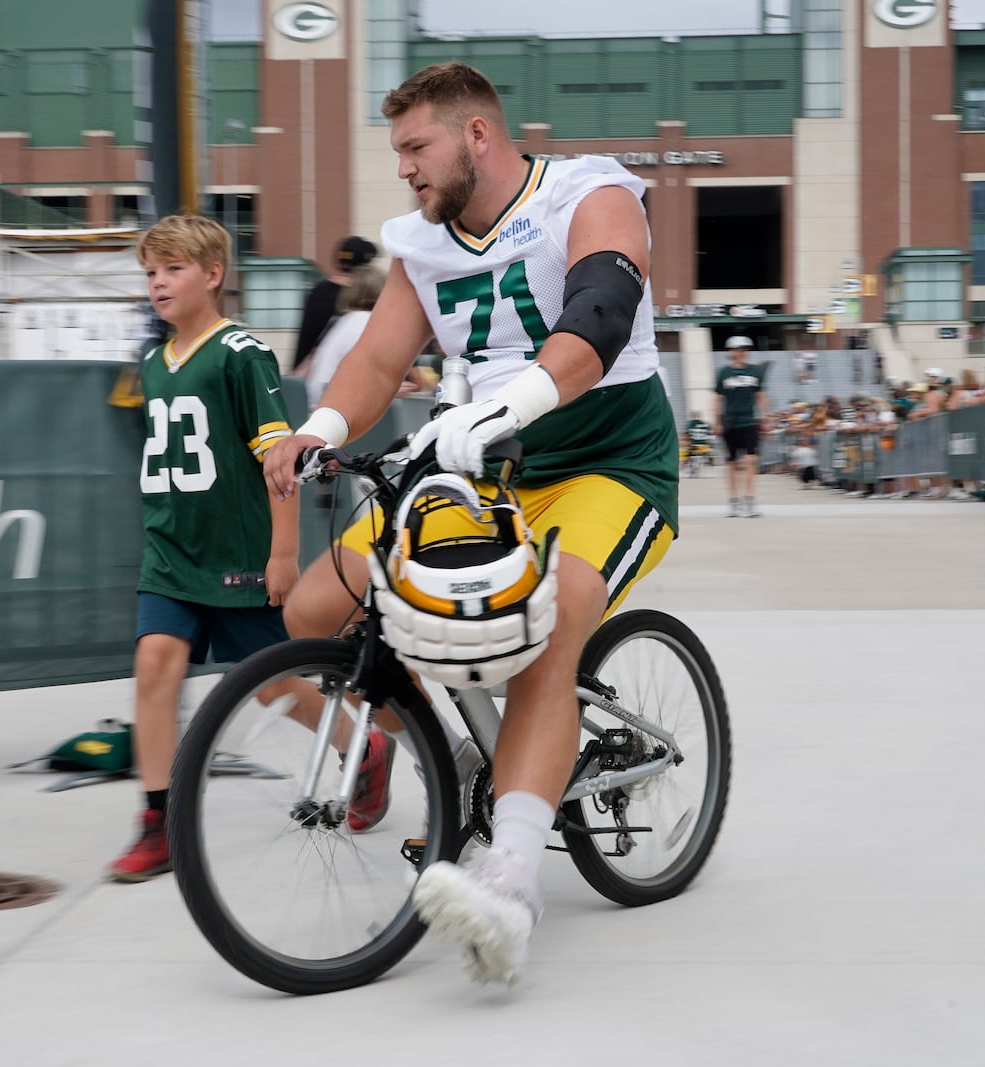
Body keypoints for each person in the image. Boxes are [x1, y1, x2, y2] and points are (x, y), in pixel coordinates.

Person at [264, 62, 677, 987]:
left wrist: (510, 405)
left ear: (476, 136)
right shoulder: (422, 242)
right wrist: (321, 429)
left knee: (549, 627)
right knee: (319, 609)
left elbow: (603, 312)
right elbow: (376, 361)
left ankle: (513, 883)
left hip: (607, 462)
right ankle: (457, 759)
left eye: (417, 147)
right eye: (398, 150)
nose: (405, 168)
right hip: (485, 472)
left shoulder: (589, 192)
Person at [108, 215, 305, 883]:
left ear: (213, 275)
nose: (158, 282)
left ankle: (360, 749)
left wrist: (283, 552)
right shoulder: (151, 363)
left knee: (276, 685)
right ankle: (157, 820)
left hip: (239, 553)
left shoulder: (242, 354)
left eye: (173, 269)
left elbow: (280, 459)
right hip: (170, 550)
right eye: (151, 272)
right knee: (153, 666)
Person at [292, 235, 378, 376]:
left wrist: (297, 368)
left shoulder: (320, 290)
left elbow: (306, 336)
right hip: (350, 375)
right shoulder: (367, 295)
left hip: (313, 372)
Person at [305, 265, 386, 410]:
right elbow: (364, 381)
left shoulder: (342, 322)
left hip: (319, 409)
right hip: (337, 413)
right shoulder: (366, 324)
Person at [714, 336, 770, 517]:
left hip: (749, 421)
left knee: (750, 461)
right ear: (730, 352)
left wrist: (766, 417)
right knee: (731, 463)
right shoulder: (723, 373)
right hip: (730, 422)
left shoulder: (755, 372)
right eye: (737, 349)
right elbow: (717, 398)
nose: (740, 352)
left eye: (744, 349)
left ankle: (750, 500)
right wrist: (716, 421)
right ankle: (733, 502)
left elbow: (760, 396)